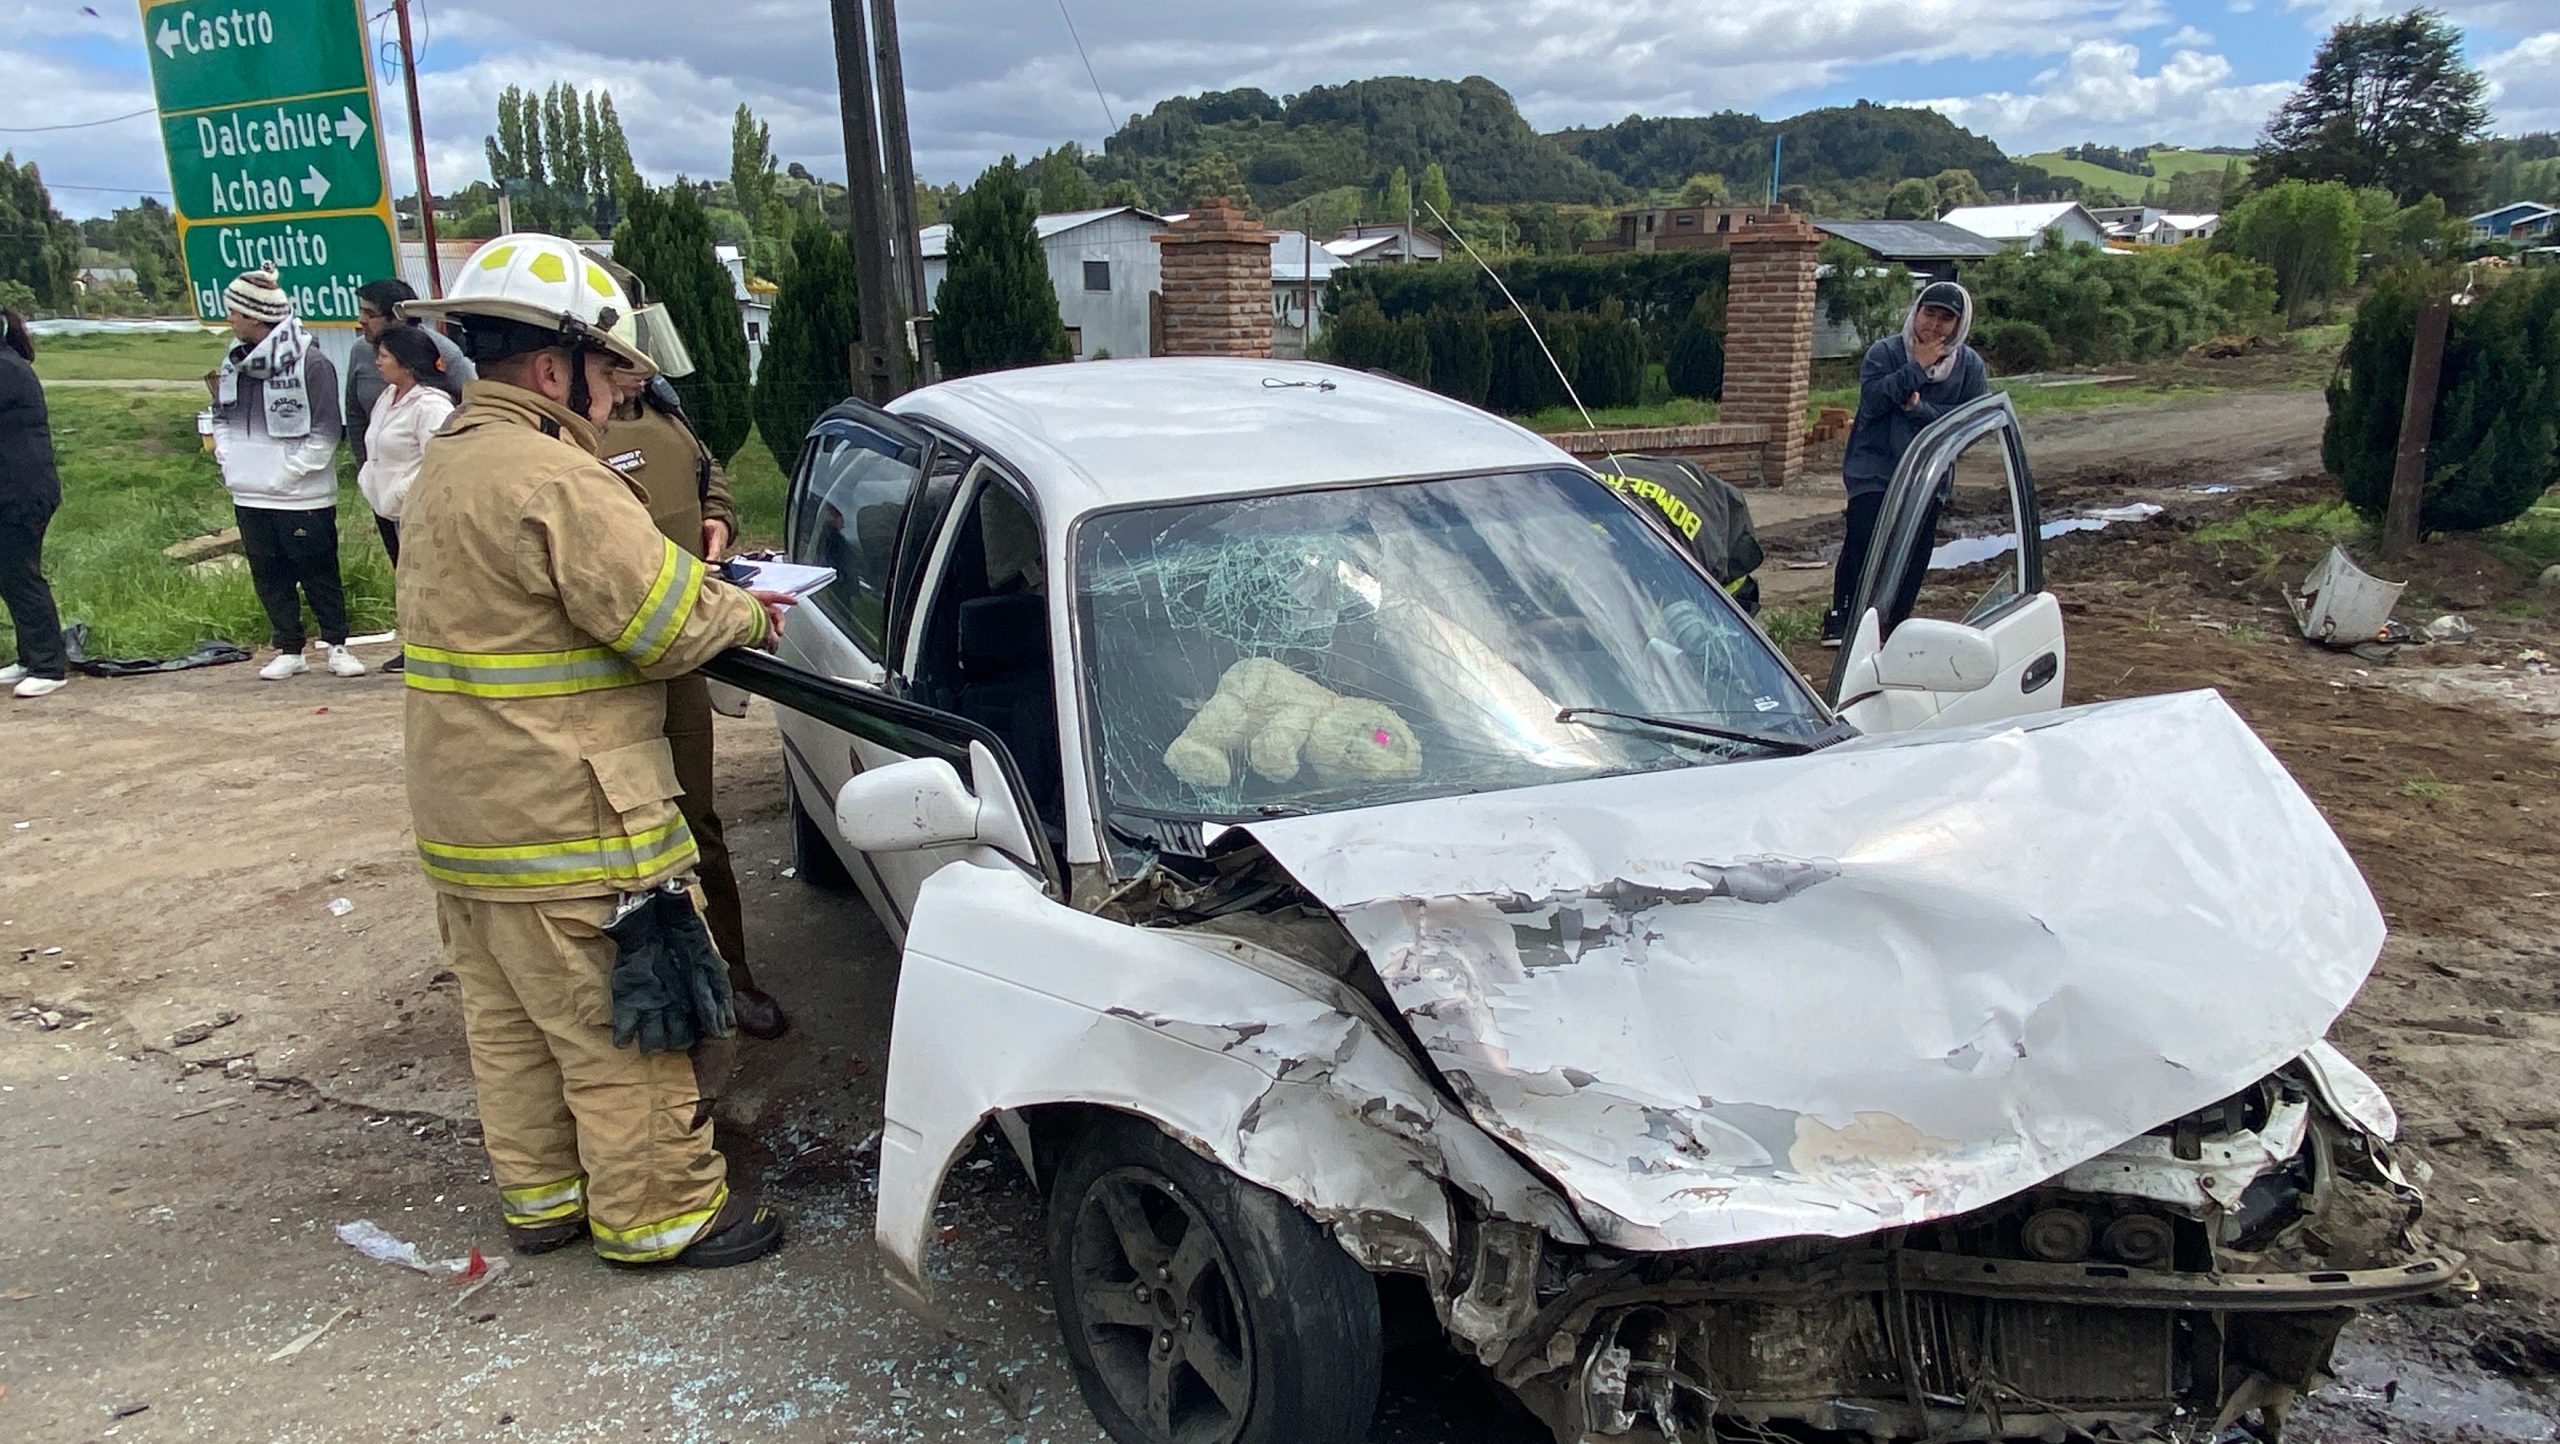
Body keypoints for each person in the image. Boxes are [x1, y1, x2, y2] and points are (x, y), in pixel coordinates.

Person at [397, 231, 791, 1268]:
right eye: (610, 376)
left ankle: (543, 1200)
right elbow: (664, 623)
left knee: (514, 1031)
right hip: (571, 820)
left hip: (470, 824)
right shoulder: (555, 477)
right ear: (550, 367)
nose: (617, 398)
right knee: (628, 1024)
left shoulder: (448, 461)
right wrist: (746, 612)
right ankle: (663, 1215)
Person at [587, 257, 788, 1041]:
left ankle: (730, 977)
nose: (638, 369)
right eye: (622, 356)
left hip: (678, 655)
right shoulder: (563, 442)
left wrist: (718, 519)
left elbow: (712, 476)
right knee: (623, 841)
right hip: (605, 678)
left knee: (697, 822)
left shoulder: (661, 409)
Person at [210, 264, 363, 681]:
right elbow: (221, 417)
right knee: (268, 573)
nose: (230, 319)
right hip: (249, 492)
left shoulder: (312, 363)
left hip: (301, 494)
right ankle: (289, 647)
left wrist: (288, 474)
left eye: (235, 312)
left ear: (256, 316)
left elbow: (327, 431)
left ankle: (337, 645)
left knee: (318, 571)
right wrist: (229, 459)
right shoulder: (232, 362)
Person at [1822, 279, 1988, 647]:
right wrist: (1918, 368)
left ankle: (1894, 626)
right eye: (1929, 313)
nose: (1934, 325)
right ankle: (1843, 617)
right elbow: (1874, 401)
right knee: (1863, 538)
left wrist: (1918, 408)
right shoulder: (1885, 353)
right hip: (1874, 467)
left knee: (1914, 549)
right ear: (1917, 312)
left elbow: (1968, 424)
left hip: (1928, 475)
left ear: (1959, 324)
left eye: (1946, 318)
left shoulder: (1969, 367)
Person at [0, 308, 68, 700]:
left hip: (22, 492)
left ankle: (48, 666)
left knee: (20, 574)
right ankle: (30, 657)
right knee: (9, 575)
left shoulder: (8, 370)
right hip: (12, 489)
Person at [355, 325, 457, 564]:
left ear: (407, 363)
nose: (377, 362)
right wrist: (368, 480)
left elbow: (439, 464)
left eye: (384, 356)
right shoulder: (387, 395)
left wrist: (400, 493)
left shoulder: (432, 406)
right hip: (388, 511)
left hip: (419, 515)